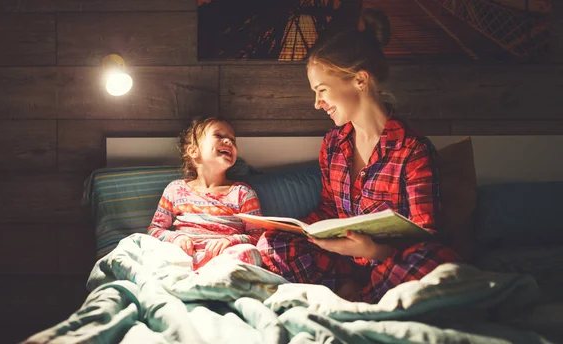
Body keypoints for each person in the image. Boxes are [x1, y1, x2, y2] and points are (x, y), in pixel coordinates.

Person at [256, 9, 460, 303]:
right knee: (274, 243)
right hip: (342, 263)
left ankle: (355, 297)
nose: (317, 103)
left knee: (436, 260)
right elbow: (329, 209)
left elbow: (425, 235)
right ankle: (356, 295)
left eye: (322, 90)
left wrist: (373, 251)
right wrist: (303, 229)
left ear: (360, 81)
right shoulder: (333, 145)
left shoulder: (412, 150)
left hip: (391, 264)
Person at [148, 116, 264, 270]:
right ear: (194, 151)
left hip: (225, 261)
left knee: (251, 253)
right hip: (182, 260)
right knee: (133, 243)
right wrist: (176, 238)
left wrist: (232, 242)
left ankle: (212, 283)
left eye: (232, 140)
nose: (229, 141)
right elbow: (154, 230)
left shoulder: (243, 193)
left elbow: (259, 236)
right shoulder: (175, 190)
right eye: (219, 136)